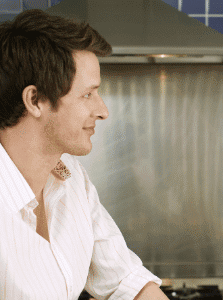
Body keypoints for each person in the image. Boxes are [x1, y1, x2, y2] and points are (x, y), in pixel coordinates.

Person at [0, 9, 168, 300]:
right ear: (35, 100)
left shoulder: (70, 176)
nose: (103, 111)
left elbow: (125, 281)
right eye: (87, 95)